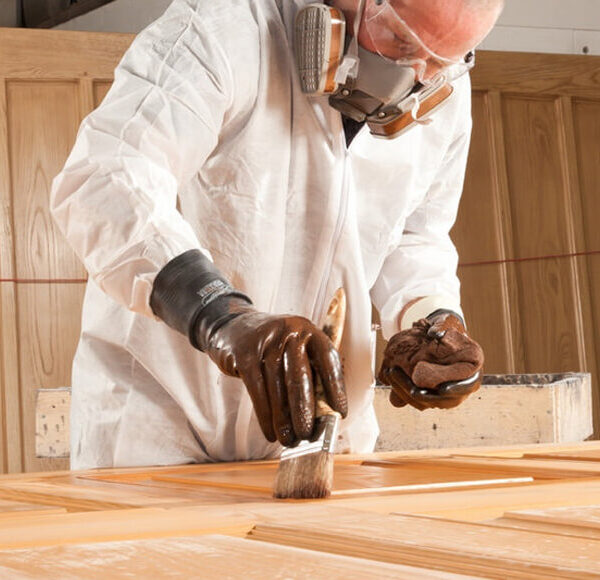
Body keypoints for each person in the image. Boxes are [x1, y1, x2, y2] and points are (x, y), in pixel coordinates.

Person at [51, 0, 502, 470]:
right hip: (159, 422)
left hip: (320, 428)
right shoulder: (223, 30)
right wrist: (220, 315)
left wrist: (431, 318)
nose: (417, 78)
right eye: (403, 43)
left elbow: (414, 235)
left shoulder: (444, 89)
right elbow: (106, 180)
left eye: (444, 60)